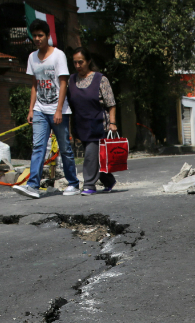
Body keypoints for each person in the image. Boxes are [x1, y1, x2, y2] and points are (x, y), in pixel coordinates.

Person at [12, 19, 80, 199]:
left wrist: (59, 110)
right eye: (34, 36)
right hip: (40, 109)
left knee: (65, 148)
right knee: (38, 147)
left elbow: (63, 83)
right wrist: (31, 109)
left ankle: (73, 183)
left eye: (40, 35)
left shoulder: (58, 55)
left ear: (48, 36)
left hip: (58, 110)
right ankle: (33, 185)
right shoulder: (32, 57)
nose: (37, 39)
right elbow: (34, 84)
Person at [66, 48, 118, 195]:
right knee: (96, 157)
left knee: (90, 154)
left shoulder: (100, 79)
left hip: (98, 123)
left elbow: (111, 103)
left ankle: (89, 185)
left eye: (81, 62)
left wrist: (112, 123)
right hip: (80, 124)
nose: (78, 65)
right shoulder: (71, 80)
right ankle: (108, 180)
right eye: (75, 63)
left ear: (88, 61)